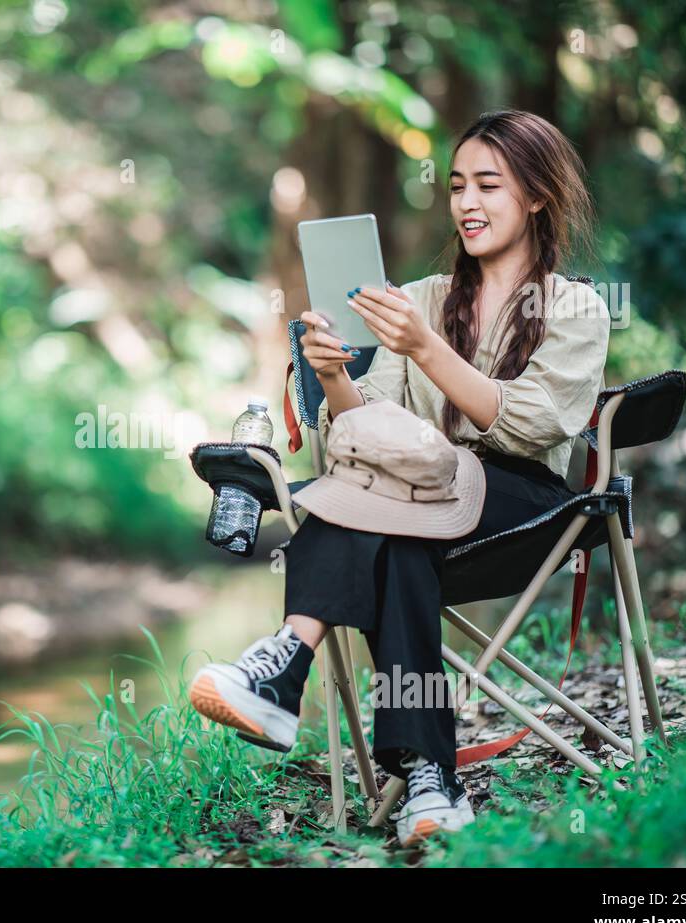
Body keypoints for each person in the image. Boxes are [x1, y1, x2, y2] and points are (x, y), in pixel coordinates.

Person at [188, 109, 612, 846]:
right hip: (413, 499)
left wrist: (426, 350)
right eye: (456, 186)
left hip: (523, 506)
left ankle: (287, 658)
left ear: (537, 196)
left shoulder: (576, 307)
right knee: (401, 531)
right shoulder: (417, 297)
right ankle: (429, 779)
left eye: (489, 184)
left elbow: (528, 423)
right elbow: (370, 423)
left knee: (389, 505)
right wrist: (334, 378)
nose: (467, 203)